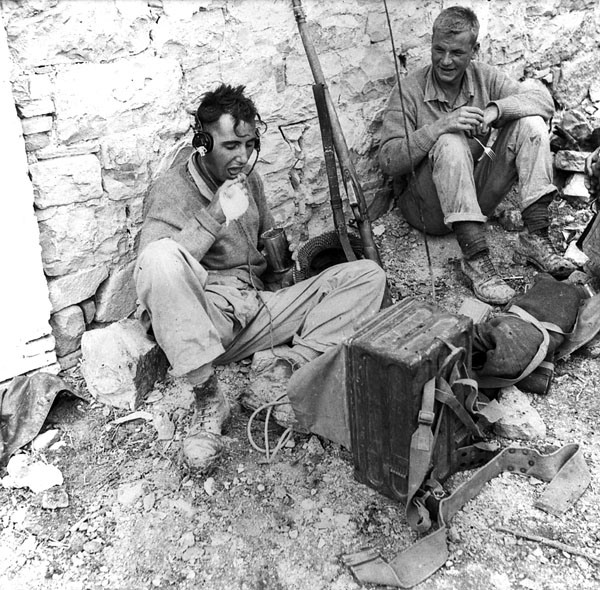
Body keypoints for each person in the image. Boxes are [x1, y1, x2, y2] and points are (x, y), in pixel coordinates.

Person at [135, 83, 387, 472]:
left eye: (248, 144)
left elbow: (268, 248)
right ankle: (208, 402)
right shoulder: (171, 190)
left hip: (258, 309)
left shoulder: (249, 180)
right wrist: (214, 214)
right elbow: (157, 269)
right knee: (159, 257)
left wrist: (283, 270)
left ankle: (282, 368)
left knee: (367, 276)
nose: (242, 157)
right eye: (230, 146)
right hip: (209, 324)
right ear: (202, 144)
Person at [379, 5, 576, 305]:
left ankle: (536, 237)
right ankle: (476, 259)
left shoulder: (484, 77)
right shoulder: (409, 90)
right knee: (449, 141)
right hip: (428, 210)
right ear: (431, 45)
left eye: (457, 52)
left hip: (474, 199)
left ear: (475, 50)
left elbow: (542, 101)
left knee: (531, 123)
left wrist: (496, 110)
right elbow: (389, 160)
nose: (446, 61)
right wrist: (439, 127)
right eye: (438, 50)